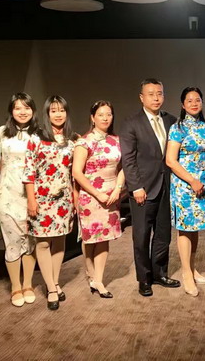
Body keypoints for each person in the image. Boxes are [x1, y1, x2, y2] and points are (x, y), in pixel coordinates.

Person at [120, 79, 180, 297]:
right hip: (143, 189)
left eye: (160, 93)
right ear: (141, 97)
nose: (156, 98)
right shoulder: (131, 123)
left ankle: (159, 273)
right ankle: (144, 278)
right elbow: (128, 159)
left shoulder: (171, 121)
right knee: (142, 236)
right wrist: (136, 187)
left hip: (167, 187)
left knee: (163, 234)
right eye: (151, 94)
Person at [23, 95, 78, 310]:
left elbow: (74, 173)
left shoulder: (72, 140)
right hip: (41, 198)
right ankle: (51, 288)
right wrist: (31, 200)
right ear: (47, 113)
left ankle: (54, 282)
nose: (58, 114)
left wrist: (74, 198)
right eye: (53, 110)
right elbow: (28, 172)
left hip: (63, 199)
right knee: (44, 243)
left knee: (60, 241)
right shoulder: (36, 138)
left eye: (62, 110)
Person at [73, 100, 124, 299]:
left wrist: (117, 189)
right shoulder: (84, 142)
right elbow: (77, 173)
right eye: (101, 114)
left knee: (104, 238)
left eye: (109, 114)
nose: (105, 118)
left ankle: (99, 280)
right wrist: (98, 193)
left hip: (112, 195)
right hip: (91, 196)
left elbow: (123, 167)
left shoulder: (116, 140)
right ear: (92, 118)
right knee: (90, 237)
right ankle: (90, 273)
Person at [165, 87, 205, 297]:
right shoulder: (177, 128)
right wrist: (192, 180)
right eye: (189, 100)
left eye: (197, 100)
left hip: (204, 184)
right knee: (185, 228)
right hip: (184, 184)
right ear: (183, 105)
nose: (194, 103)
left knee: (196, 228)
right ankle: (186, 273)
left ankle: (193, 268)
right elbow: (170, 160)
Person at [0, 93, 39, 307]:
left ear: (33, 110)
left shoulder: (39, 134)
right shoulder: (2, 132)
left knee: (30, 241)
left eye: (26, 107)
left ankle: (28, 284)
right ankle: (15, 286)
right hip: (7, 195)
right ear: (11, 111)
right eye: (17, 108)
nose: (22, 112)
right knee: (12, 241)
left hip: (32, 196)